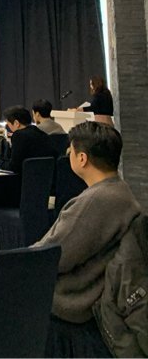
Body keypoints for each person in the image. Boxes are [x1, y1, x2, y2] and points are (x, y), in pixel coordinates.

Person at [34, 122, 140, 357]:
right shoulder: (122, 192)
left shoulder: (94, 202)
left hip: (71, 304)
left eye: (70, 151)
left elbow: (51, 256)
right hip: (94, 299)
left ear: (82, 158)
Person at [0, 106, 58, 174]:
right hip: (46, 178)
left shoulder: (19, 135)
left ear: (16, 123)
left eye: (8, 124)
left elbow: (14, 167)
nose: (8, 127)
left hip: (26, 179)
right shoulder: (39, 132)